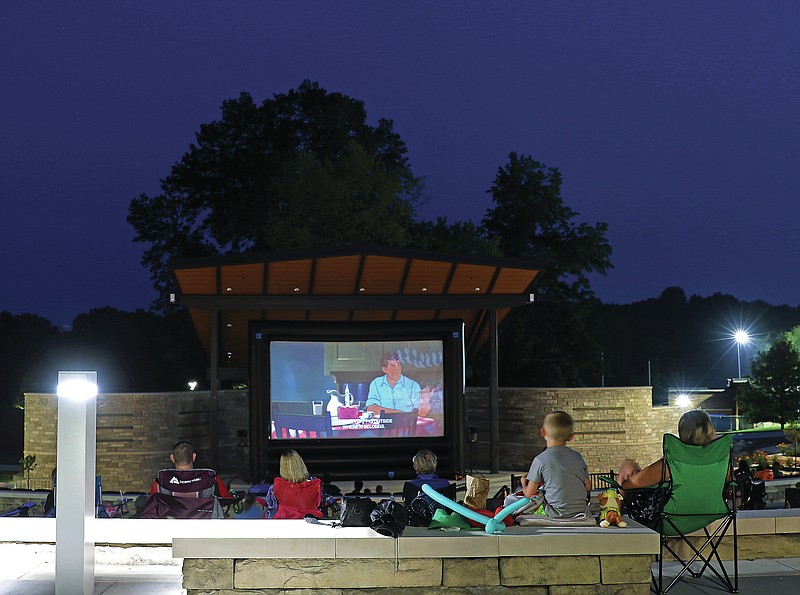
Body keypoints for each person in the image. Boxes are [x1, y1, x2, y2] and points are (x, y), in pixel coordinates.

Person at [616, 409, 718, 490]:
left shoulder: (673, 463)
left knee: (627, 466)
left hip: (677, 512)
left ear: (683, 433)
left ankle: (612, 512)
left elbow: (628, 485)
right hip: (715, 509)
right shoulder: (721, 460)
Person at [516, 411, 592, 518]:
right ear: (571, 437)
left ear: (543, 432)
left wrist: (524, 484)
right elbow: (588, 487)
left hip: (554, 512)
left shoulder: (540, 459)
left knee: (515, 501)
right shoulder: (577, 457)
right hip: (581, 511)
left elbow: (529, 494)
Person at [149, 441, 233, 498]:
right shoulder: (210, 477)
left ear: (172, 458)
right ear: (194, 457)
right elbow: (227, 499)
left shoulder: (161, 481)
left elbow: (152, 503)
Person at [263, 449, 330, 519]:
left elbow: (271, 511)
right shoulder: (316, 485)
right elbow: (323, 505)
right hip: (311, 526)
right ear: (301, 464)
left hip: (283, 527)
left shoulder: (275, 488)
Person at [366, 352, 431, 415]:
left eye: (399, 364)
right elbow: (371, 409)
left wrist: (425, 402)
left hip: (407, 425)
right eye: (393, 365)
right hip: (384, 424)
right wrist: (402, 414)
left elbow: (421, 413)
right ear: (384, 369)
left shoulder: (413, 385)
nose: (397, 369)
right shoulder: (376, 383)